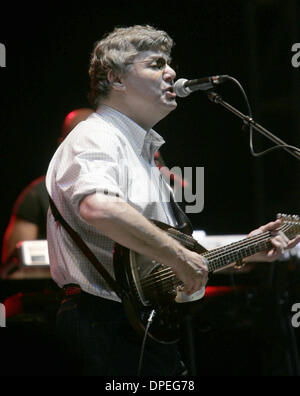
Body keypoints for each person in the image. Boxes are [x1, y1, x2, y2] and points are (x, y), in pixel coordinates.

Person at [46, 25, 300, 376]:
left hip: (133, 326)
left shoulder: (140, 150)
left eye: (169, 64)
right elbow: (98, 207)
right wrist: (180, 256)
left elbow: (161, 264)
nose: (172, 73)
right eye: (156, 64)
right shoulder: (97, 135)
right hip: (103, 325)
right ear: (116, 79)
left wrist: (247, 248)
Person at [1, 108, 93, 264]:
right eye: (77, 142)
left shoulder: (125, 190)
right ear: (62, 145)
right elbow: (13, 268)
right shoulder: (37, 194)